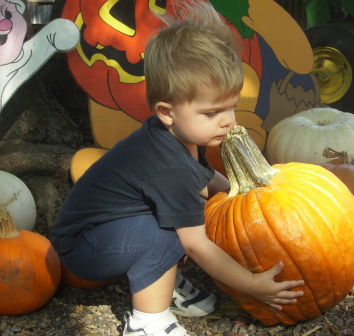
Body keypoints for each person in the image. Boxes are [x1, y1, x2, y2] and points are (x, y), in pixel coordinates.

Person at [49, 1, 305, 335]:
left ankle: (159, 278)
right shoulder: (166, 165)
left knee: (176, 218)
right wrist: (252, 284)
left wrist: (239, 193)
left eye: (231, 107)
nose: (228, 121)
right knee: (171, 232)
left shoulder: (174, 133)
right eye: (212, 113)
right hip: (83, 249)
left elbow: (203, 176)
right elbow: (196, 243)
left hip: (108, 230)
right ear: (167, 111)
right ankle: (147, 321)